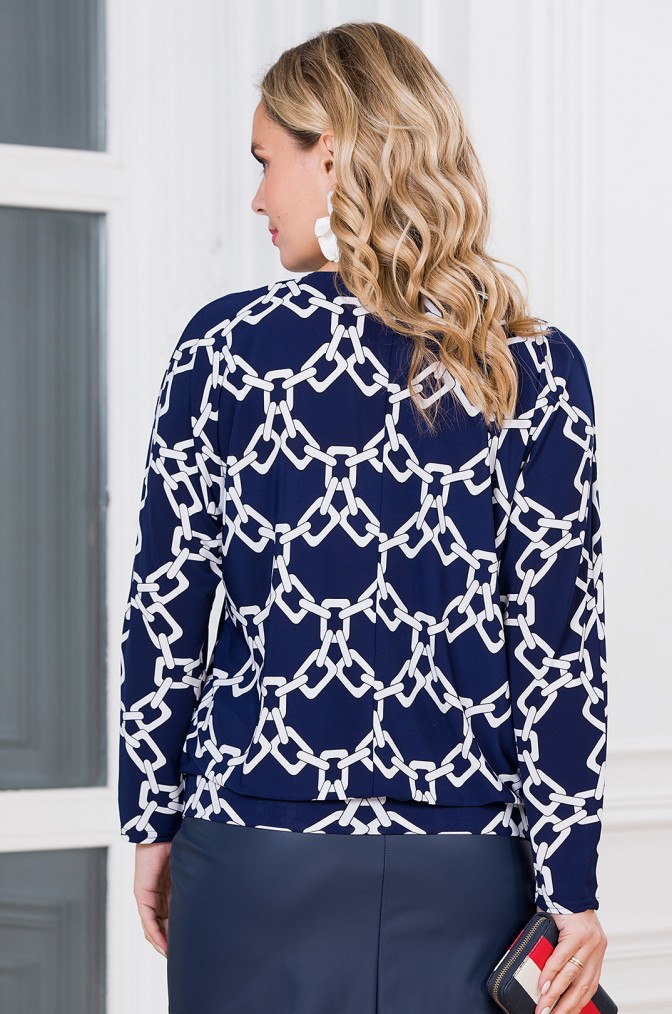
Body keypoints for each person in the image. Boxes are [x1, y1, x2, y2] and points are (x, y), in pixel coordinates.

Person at [118, 20, 610, 1014]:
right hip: (468, 866)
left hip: (252, 851)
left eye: (267, 161)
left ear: (333, 153)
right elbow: (558, 649)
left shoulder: (221, 352)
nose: (259, 197)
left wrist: (150, 821)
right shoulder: (535, 367)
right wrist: (573, 888)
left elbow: (166, 610)